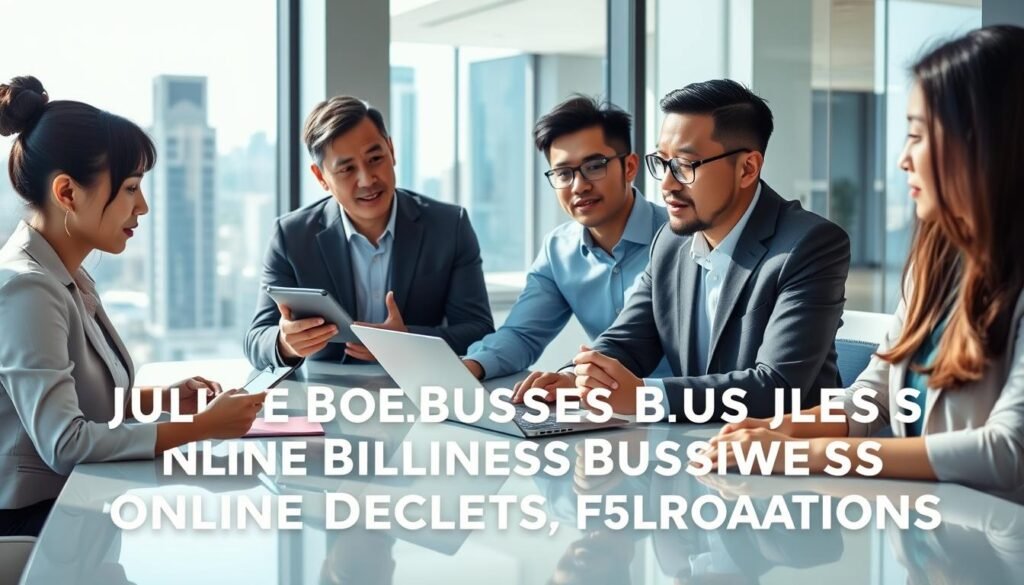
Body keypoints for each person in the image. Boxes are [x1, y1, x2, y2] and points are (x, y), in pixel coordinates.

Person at [710, 26, 1024, 499]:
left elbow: (1008, 451)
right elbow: (872, 399)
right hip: (933, 531)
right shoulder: (937, 266)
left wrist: (806, 454)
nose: (903, 159)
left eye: (918, 135)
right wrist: (776, 429)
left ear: (988, 143)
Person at [0, 76, 266, 536]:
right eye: (129, 188)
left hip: (79, 514)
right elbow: (65, 443)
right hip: (39, 530)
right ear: (67, 193)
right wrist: (201, 427)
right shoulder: (28, 288)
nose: (142, 206)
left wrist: (164, 400)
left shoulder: (66, 274)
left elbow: (77, 401)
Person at [514, 79, 851, 421]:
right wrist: (577, 378)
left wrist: (646, 397)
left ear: (747, 168)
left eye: (685, 165)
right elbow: (627, 340)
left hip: (784, 448)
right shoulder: (671, 242)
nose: (667, 184)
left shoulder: (810, 245)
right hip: (693, 444)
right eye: (662, 163)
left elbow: (778, 387)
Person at [244, 96, 494, 369]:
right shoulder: (291, 236)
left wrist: (407, 341)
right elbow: (257, 339)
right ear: (321, 177)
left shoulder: (449, 226)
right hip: (326, 389)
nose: (367, 179)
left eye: (375, 159)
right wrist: (286, 343)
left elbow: (478, 330)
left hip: (418, 386)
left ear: (391, 150)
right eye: (347, 169)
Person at [461, 96, 669, 381]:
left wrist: (573, 376)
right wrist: (471, 367)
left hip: (685, 402)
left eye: (594, 166)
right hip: (604, 402)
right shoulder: (559, 250)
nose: (579, 186)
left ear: (630, 167)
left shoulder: (679, 237)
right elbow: (522, 334)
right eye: (563, 173)